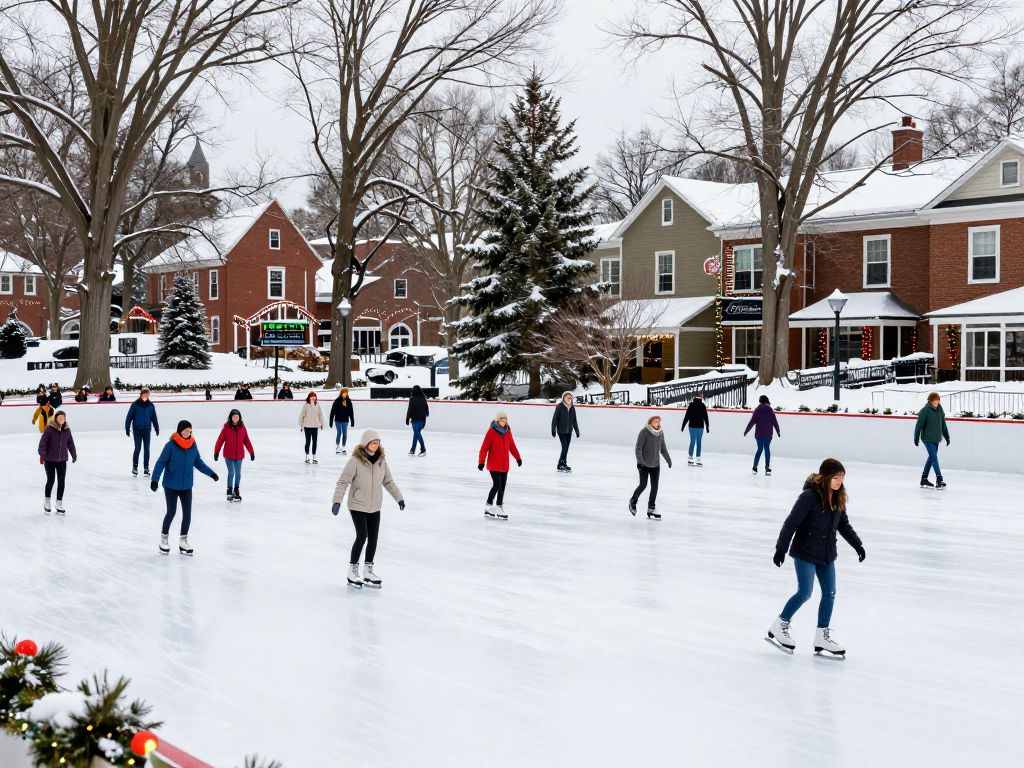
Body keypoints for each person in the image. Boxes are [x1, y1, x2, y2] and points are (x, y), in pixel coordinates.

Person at [766, 458, 865, 658]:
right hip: (805, 552)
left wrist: (858, 545)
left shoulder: (838, 499)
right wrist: (781, 548)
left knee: (830, 593)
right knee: (805, 592)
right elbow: (790, 523)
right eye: (836, 477)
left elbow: (843, 525)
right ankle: (779, 625)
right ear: (826, 477)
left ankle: (822, 636)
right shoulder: (809, 497)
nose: (839, 481)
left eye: (842, 477)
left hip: (826, 554)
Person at [332, 428, 406, 588]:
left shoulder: (381, 461)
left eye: (377, 443)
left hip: (375, 505)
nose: (376, 445)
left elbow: (388, 482)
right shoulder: (355, 461)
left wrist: (399, 497)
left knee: (373, 538)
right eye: (373, 443)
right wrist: (337, 501)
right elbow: (343, 481)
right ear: (366, 444)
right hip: (357, 504)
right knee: (362, 536)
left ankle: (368, 570)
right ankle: (352, 571)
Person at [151, 420, 218, 556]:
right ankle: (164, 539)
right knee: (171, 512)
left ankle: (183, 541)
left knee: (187, 513)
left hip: (186, 486)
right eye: (185, 430)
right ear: (180, 431)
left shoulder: (193, 445)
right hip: (171, 485)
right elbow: (161, 462)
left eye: (190, 430)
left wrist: (211, 473)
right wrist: (155, 479)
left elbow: (198, 462)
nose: (188, 433)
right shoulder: (170, 446)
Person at [478, 411, 522, 520]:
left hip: (504, 464)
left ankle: (499, 507)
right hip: (494, 464)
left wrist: (518, 457)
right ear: (498, 421)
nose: (504, 422)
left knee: (502, 486)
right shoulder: (491, 431)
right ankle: (488, 506)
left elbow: (512, 446)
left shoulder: (508, 431)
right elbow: (484, 448)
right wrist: (481, 462)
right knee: (497, 484)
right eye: (502, 420)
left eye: (505, 420)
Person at [629, 415, 672, 520]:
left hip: (656, 464)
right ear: (650, 422)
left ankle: (651, 508)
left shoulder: (660, 433)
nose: (657, 423)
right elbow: (638, 448)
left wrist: (668, 460)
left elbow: (663, 449)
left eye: (658, 421)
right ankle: (633, 501)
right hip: (644, 464)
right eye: (655, 421)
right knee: (643, 485)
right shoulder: (644, 432)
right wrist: (639, 462)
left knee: (655, 486)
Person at [38, 409, 77, 515]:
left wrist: (73, 454)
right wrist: (43, 454)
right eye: (60, 418)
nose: (61, 419)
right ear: (56, 418)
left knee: (61, 482)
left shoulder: (67, 430)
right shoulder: (49, 429)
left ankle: (59, 503)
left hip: (62, 460)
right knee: (50, 480)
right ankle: (47, 502)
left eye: (63, 418)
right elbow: (43, 443)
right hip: (50, 460)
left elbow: (70, 443)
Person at [214, 408, 255, 502]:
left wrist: (251, 452)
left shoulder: (242, 427)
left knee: (238, 474)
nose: (235, 418)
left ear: (239, 418)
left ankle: (236, 490)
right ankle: (229, 490)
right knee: (231, 472)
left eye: (237, 417)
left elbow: (246, 440)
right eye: (234, 417)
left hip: (239, 455)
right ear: (231, 418)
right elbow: (220, 440)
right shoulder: (226, 427)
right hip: (228, 455)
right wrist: (216, 452)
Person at [914, 391, 950, 489]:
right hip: (927, 438)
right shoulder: (925, 410)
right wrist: (916, 437)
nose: (936, 402)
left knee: (931, 457)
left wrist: (947, 436)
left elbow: (943, 424)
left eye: (937, 400)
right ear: (930, 401)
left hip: (936, 438)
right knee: (934, 457)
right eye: (934, 401)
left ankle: (924, 478)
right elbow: (919, 425)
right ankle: (939, 478)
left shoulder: (940, 410)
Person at [125, 388, 160, 476]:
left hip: (147, 430)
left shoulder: (151, 405)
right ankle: (135, 467)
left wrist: (156, 428)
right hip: (137, 430)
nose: (146, 396)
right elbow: (129, 417)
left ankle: (146, 467)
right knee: (138, 448)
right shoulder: (135, 405)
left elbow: (154, 418)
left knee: (147, 449)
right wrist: (127, 428)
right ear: (141, 395)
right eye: (144, 395)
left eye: (148, 395)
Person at [744, 395, 781, 475]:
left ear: (760, 401)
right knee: (767, 448)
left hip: (759, 434)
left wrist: (747, 430)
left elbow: (752, 421)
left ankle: (754, 467)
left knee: (759, 449)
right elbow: (774, 421)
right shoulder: (770, 410)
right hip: (768, 433)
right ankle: (767, 467)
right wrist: (778, 431)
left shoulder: (757, 410)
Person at [551, 391, 580, 472]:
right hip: (561, 431)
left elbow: (574, 420)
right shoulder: (559, 407)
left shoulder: (572, 408)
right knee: (564, 447)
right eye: (567, 397)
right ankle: (560, 464)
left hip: (569, 432)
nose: (569, 399)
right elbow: (555, 419)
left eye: (570, 397)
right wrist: (553, 429)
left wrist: (577, 430)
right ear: (563, 398)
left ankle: (563, 464)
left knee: (566, 448)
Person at [681, 393, 710, 466]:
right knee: (698, 442)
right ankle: (697, 458)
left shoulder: (692, 405)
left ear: (694, 398)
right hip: (699, 427)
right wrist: (707, 426)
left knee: (693, 441)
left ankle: (691, 457)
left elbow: (686, 416)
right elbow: (706, 417)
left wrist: (683, 426)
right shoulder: (702, 406)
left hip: (693, 426)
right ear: (701, 398)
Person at [299, 391, 324, 463]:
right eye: (312, 396)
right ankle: (307, 456)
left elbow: (320, 415)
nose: (313, 397)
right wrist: (301, 425)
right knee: (308, 441)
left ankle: (314, 457)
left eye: (314, 396)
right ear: (309, 397)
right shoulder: (306, 405)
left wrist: (321, 423)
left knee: (315, 442)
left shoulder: (318, 405)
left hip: (315, 426)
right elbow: (302, 415)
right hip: (307, 426)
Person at [330, 387, 355, 455]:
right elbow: (333, 411)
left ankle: (343, 446)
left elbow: (351, 412)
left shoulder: (349, 401)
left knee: (345, 434)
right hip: (338, 420)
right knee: (339, 433)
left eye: (346, 393)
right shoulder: (337, 400)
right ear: (341, 393)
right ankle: (337, 446)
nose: (345, 394)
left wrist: (352, 421)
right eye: (344, 393)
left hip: (345, 420)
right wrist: (331, 421)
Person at [406, 385, 430, 456]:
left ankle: (423, 449)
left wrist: (407, 418)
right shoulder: (423, 398)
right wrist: (426, 413)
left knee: (417, 433)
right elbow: (426, 408)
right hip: (421, 419)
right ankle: (412, 450)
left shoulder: (412, 399)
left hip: (416, 419)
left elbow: (410, 409)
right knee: (416, 433)